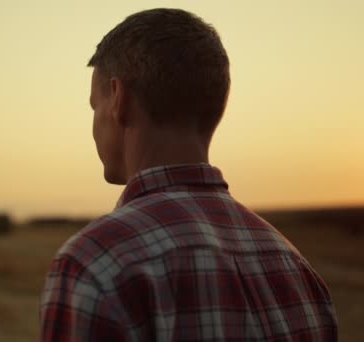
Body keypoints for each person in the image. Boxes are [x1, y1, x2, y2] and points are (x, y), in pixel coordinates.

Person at [39, 8, 338, 341]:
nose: (94, 125)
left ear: (118, 100)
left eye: (94, 106)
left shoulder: (96, 264)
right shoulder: (295, 268)